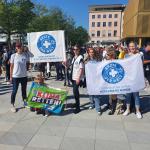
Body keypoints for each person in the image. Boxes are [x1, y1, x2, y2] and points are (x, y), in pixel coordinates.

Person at [123, 41, 142, 119]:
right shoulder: (126, 55)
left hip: (136, 78)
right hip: (128, 78)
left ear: (136, 46)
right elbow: (124, 66)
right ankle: (127, 110)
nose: (132, 48)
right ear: (128, 47)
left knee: (136, 95)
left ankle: (138, 111)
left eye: (133, 46)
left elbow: (141, 66)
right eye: (130, 46)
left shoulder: (139, 55)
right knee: (128, 95)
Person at [10, 43, 29, 113]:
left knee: (24, 90)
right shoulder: (13, 56)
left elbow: (32, 56)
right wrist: (11, 76)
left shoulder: (25, 55)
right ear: (16, 48)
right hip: (16, 76)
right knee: (14, 91)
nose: (19, 48)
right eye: (18, 47)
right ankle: (12, 104)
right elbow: (11, 66)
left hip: (24, 76)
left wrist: (27, 50)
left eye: (20, 47)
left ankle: (25, 102)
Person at [85, 47, 102, 115]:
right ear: (88, 53)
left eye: (92, 52)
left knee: (96, 93)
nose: (91, 53)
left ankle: (98, 108)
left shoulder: (97, 60)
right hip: (89, 79)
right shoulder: (86, 60)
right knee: (90, 92)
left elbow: (100, 67)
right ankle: (92, 104)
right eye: (90, 52)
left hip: (96, 79)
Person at [71, 46, 84, 114]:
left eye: (76, 49)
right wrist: (65, 64)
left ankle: (78, 107)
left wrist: (78, 78)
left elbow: (81, 69)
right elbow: (72, 67)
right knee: (75, 92)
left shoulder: (80, 58)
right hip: (73, 77)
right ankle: (76, 103)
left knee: (75, 92)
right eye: (74, 49)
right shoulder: (74, 58)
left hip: (77, 78)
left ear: (79, 50)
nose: (75, 50)